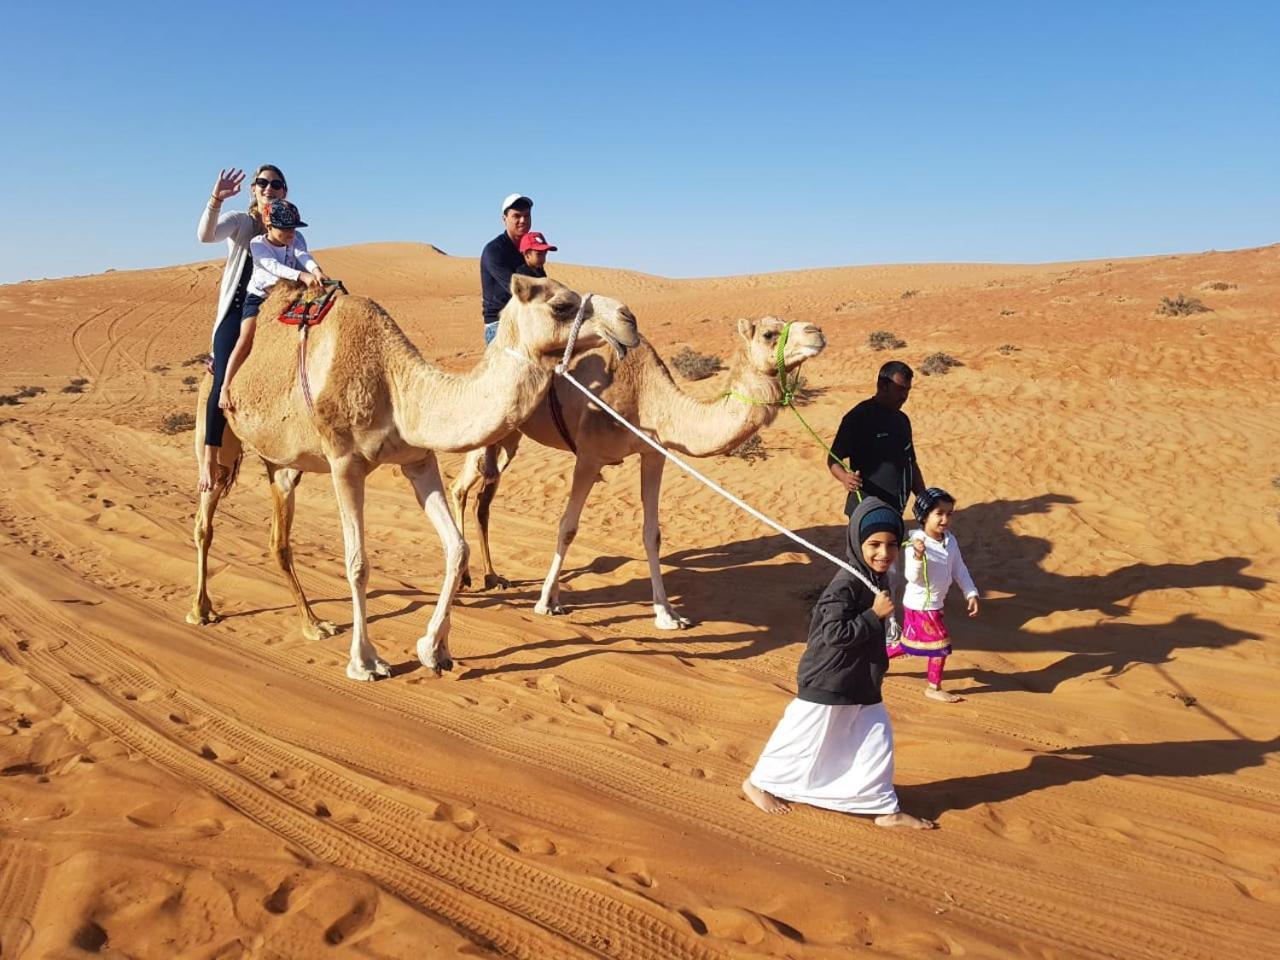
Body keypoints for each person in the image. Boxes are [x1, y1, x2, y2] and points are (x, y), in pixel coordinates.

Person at [742, 498, 936, 829]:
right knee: (801, 735)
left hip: (859, 679)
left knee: (877, 735)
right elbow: (834, 633)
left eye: (891, 545)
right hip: (828, 678)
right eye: (874, 545)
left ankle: (883, 807)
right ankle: (757, 783)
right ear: (857, 544)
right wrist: (873, 616)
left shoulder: (877, 576)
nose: (883, 553)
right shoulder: (845, 584)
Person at [196, 165, 289, 491]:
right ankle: (210, 456)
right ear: (253, 189)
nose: (269, 188)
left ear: (284, 192)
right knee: (222, 378)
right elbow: (206, 235)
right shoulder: (242, 223)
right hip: (237, 314)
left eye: (275, 184)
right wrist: (215, 199)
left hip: (273, 316)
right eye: (262, 182)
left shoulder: (286, 228)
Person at [219, 199, 326, 412]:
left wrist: (316, 271)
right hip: (259, 298)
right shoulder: (258, 244)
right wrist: (301, 275)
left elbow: (302, 255)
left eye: (293, 228)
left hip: (287, 295)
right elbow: (273, 266)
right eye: (284, 229)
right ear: (269, 225)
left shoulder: (293, 241)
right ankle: (225, 386)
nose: (290, 233)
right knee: (246, 338)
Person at [889, 487, 980, 703]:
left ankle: (871, 659)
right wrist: (918, 556)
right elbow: (912, 576)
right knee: (940, 645)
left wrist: (971, 592)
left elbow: (959, 568)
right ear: (924, 515)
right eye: (939, 513)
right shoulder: (915, 543)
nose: (945, 519)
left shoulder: (950, 540)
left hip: (935, 603)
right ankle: (933, 687)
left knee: (906, 644)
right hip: (920, 605)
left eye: (949, 514)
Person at [828, 361, 926, 516]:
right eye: (900, 389)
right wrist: (845, 478)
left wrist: (923, 498)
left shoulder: (902, 420)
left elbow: (911, 463)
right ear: (883, 386)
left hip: (896, 509)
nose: (904, 396)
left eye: (907, 390)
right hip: (866, 509)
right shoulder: (858, 417)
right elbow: (833, 459)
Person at [479, 193, 533, 346]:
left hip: (524, 321)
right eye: (517, 216)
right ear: (504, 219)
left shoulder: (529, 250)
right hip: (500, 325)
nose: (523, 220)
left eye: (526, 216)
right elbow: (521, 290)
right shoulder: (494, 251)